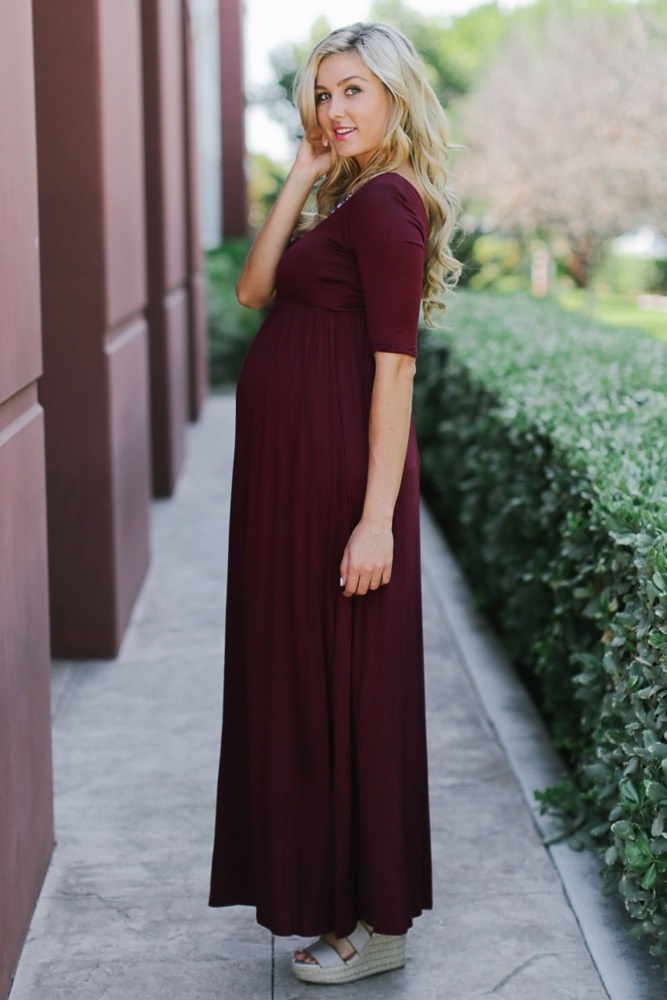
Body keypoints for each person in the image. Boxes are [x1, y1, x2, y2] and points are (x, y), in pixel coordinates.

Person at [209, 21, 460, 986]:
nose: (335, 109)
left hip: (340, 489)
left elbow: (394, 371)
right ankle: (324, 889)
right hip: (294, 483)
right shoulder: (343, 194)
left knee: (353, 691)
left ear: (394, 93)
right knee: (301, 685)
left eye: (353, 90)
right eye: (321, 93)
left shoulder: (389, 205)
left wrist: (372, 518)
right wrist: (301, 172)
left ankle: (379, 921)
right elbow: (251, 287)